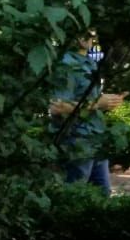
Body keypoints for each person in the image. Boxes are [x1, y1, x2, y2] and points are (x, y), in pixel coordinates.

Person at [48, 31, 125, 196]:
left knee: (102, 195)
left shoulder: (90, 62)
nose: (90, 37)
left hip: (95, 139)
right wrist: (98, 103)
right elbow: (57, 107)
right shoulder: (65, 64)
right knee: (74, 196)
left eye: (91, 32)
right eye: (83, 32)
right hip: (76, 141)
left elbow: (89, 101)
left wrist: (108, 101)